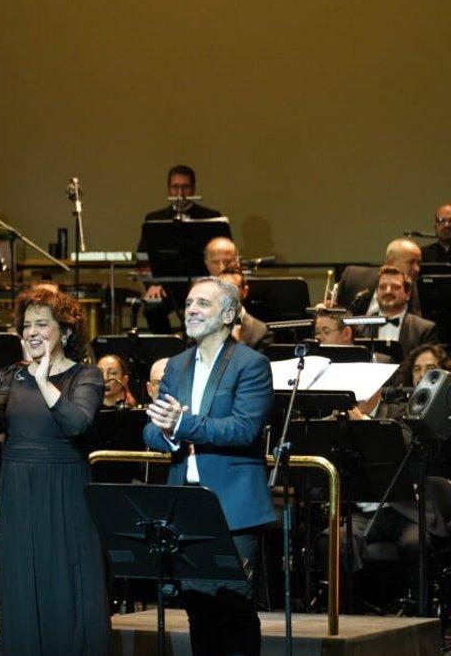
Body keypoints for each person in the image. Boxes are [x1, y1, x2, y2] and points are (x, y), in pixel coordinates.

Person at [144, 277, 275, 655]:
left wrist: (182, 425)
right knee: (198, 609)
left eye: (203, 303)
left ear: (228, 314)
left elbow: (244, 428)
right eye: (188, 303)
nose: (191, 310)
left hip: (233, 506)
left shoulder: (251, 364)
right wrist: (168, 433)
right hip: (186, 505)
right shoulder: (177, 365)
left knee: (233, 609)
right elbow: (152, 431)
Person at [0, 285, 109, 654]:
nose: (32, 332)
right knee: (22, 580)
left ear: (65, 332)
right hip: (19, 488)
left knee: (65, 577)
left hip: (65, 488)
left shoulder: (86, 376)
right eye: (26, 325)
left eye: (42, 325)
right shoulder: (11, 376)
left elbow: (77, 423)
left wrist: (44, 381)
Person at [137, 165, 227, 332]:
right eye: (175, 187)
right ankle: (168, 351)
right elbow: (143, 258)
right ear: (168, 189)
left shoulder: (212, 218)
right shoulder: (154, 219)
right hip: (167, 287)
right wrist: (152, 285)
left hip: (203, 286)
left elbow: (224, 257)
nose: (180, 193)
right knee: (152, 309)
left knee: (208, 309)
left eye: (185, 187)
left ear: (193, 188)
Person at [363, 266, 440, 355]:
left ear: (408, 294)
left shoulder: (424, 330)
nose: (388, 291)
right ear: (376, 292)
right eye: (382, 287)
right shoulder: (360, 327)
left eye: (395, 287)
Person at [339, 238, 425, 316]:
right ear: (390, 261)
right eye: (411, 262)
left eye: (418, 263)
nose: (417, 269)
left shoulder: (413, 289)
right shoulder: (353, 277)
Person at [218, 269, 271, 352]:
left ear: (244, 291)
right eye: (220, 288)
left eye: (231, 288)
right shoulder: (202, 323)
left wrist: (237, 346)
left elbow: (259, 364)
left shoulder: (260, 331)